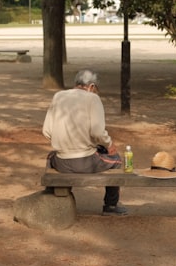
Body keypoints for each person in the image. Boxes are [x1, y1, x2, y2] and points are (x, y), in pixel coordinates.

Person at [43, 68, 127, 215]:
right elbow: (97, 132)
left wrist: (65, 142)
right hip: (85, 162)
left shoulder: (58, 96)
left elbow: (46, 131)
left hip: (61, 162)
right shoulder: (92, 98)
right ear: (91, 86)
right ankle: (111, 206)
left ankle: (53, 194)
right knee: (117, 161)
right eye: (96, 89)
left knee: (51, 156)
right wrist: (109, 144)